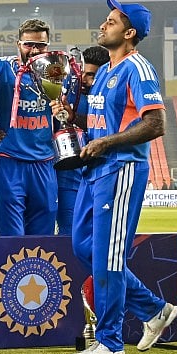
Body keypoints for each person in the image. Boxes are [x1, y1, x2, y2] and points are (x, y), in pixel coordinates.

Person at [67, 0, 177, 354]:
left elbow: (156, 123)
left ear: (129, 33)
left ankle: (111, 344)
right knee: (85, 248)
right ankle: (154, 309)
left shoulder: (138, 68)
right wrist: (74, 121)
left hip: (121, 169)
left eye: (111, 21)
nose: (103, 24)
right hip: (95, 171)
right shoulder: (105, 72)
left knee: (109, 258)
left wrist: (106, 143)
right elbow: (102, 124)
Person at [0, 19, 57, 236]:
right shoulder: (1, 68)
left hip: (44, 162)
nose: (34, 50)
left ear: (48, 46)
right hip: (10, 160)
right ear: (18, 44)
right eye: (28, 44)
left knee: (43, 237)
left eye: (41, 45)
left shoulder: (57, 73)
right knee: (10, 238)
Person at [54, 45, 107, 236]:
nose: (84, 79)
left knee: (101, 233)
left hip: (101, 173)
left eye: (92, 75)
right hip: (69, 175)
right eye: (83, 73)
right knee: (68, 233)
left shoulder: (109, 97)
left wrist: (74, 117)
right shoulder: (65, 93)